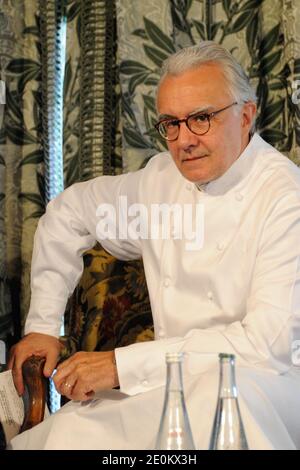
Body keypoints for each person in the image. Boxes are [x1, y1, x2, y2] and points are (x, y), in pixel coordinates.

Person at [9, 41, 300, 450]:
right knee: (73, 435)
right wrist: (41, 325)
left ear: (246, 115)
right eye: (171, 123)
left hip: (266, 388)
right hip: (168, 381)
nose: (184, 140)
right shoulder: (159, 180)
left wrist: (119, 366)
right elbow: (67, 213)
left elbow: (263, 347)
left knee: (221, 415)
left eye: (201, 118)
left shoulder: (286, 198)